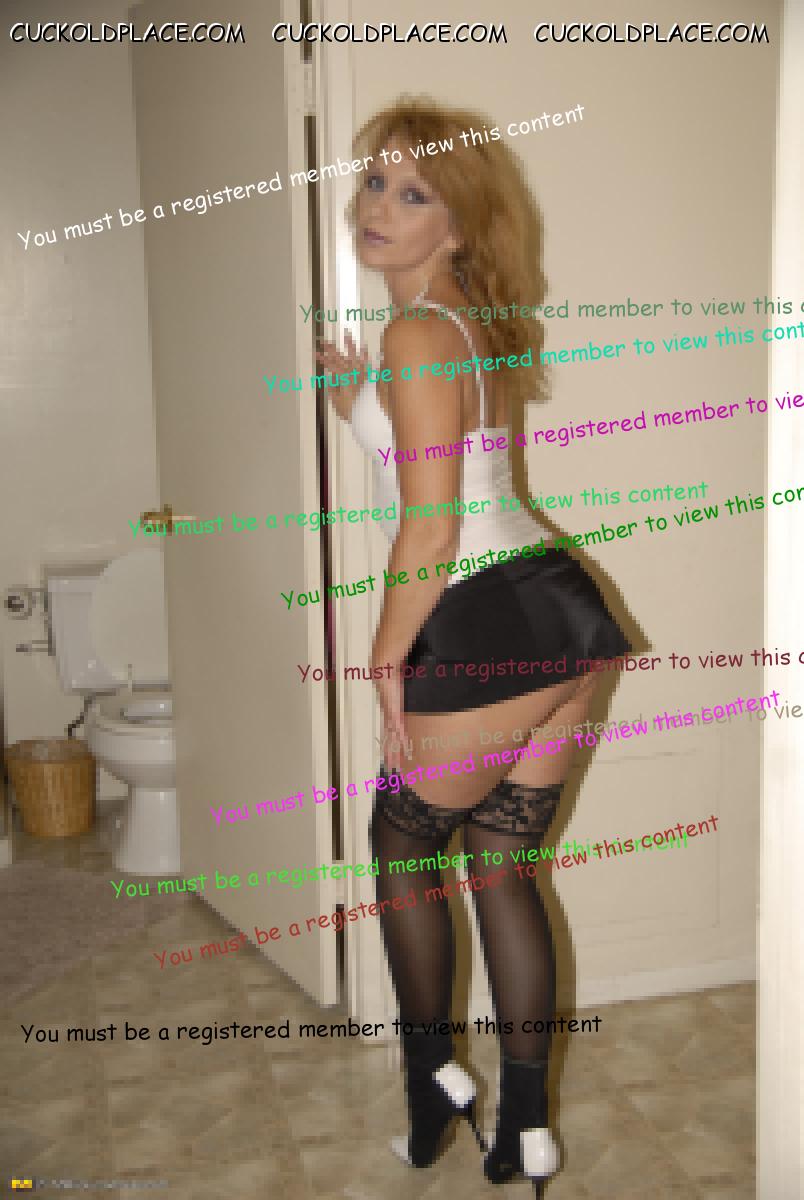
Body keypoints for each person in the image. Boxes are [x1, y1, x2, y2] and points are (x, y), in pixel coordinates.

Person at [318, 97, 631, 1193]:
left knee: (403, 847)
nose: (378, 206)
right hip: (562, 615)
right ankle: (527, 1128)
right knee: (502, 865)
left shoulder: (417, 334)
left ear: (455, 226)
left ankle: (432, 1084)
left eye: (414, 193)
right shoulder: (461, 324)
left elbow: (434, 527)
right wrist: (353, 397)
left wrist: (385, 660)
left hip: (481, 614)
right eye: (374, 181)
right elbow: (444, 459)